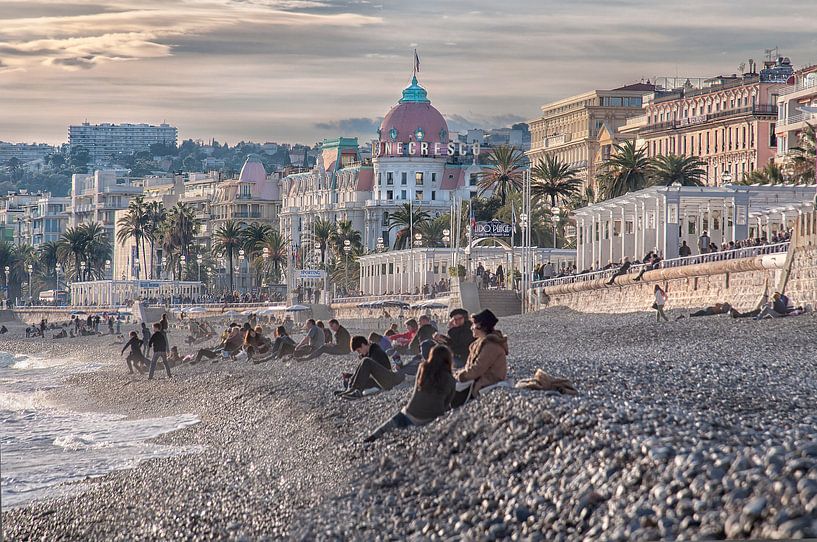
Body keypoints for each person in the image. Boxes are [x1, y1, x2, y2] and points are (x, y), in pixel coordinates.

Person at [364, 344, 456, 442]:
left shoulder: (423, 369)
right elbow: (448, 403)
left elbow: (417, 390)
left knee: (392, 422)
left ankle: (372, 438)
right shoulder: (450, 379)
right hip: (432, 418)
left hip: (411, 413)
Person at [453, 309, 507, 405]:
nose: (471, 328)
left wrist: (459, 376)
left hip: (484, 386)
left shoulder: (491, 346)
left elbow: (477, 369)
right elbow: (470, 368)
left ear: (481, 326)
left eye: (473, 325)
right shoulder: (479, 343)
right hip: (475, 382)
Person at [338, 336, 405, 400]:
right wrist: (351, 376)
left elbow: (378, 374)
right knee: (349, 379)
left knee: (366, 361)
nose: (359, 353)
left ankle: (357, 390)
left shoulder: (376, 351)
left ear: (363, 345)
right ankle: (350, 388)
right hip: (382, 380)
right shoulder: (370, 352)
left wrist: (357, 377)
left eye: (359, 350)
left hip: (388, 381)